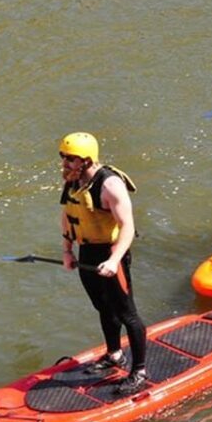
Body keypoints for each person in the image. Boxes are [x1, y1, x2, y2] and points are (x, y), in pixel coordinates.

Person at [58, 132, 148, 395]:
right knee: (103, 307)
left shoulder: (110, 185)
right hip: (87, 253)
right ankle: (114, 355)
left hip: (111, 254)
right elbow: (67, 216)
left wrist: (114, 259)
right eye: (62, 157)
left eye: (70, 158)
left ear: (86, 160)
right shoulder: (73, 181)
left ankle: (139, 371)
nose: (64, 163)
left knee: (126, 313)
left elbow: (128, 227)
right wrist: (66, 250)